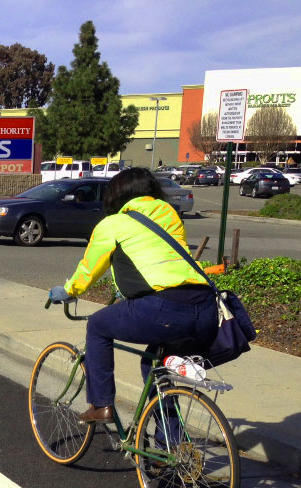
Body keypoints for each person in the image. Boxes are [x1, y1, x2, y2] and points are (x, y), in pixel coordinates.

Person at [48, 168, 218, 424]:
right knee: (155, 368)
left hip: (165, 308)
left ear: (115, 195)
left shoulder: (113, 224)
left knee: (97, 326)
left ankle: (101, 405)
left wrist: (69, 290)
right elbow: (159, 258)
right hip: (206, 307)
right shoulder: (169, 215)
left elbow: (90, 268)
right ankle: (169, 448)